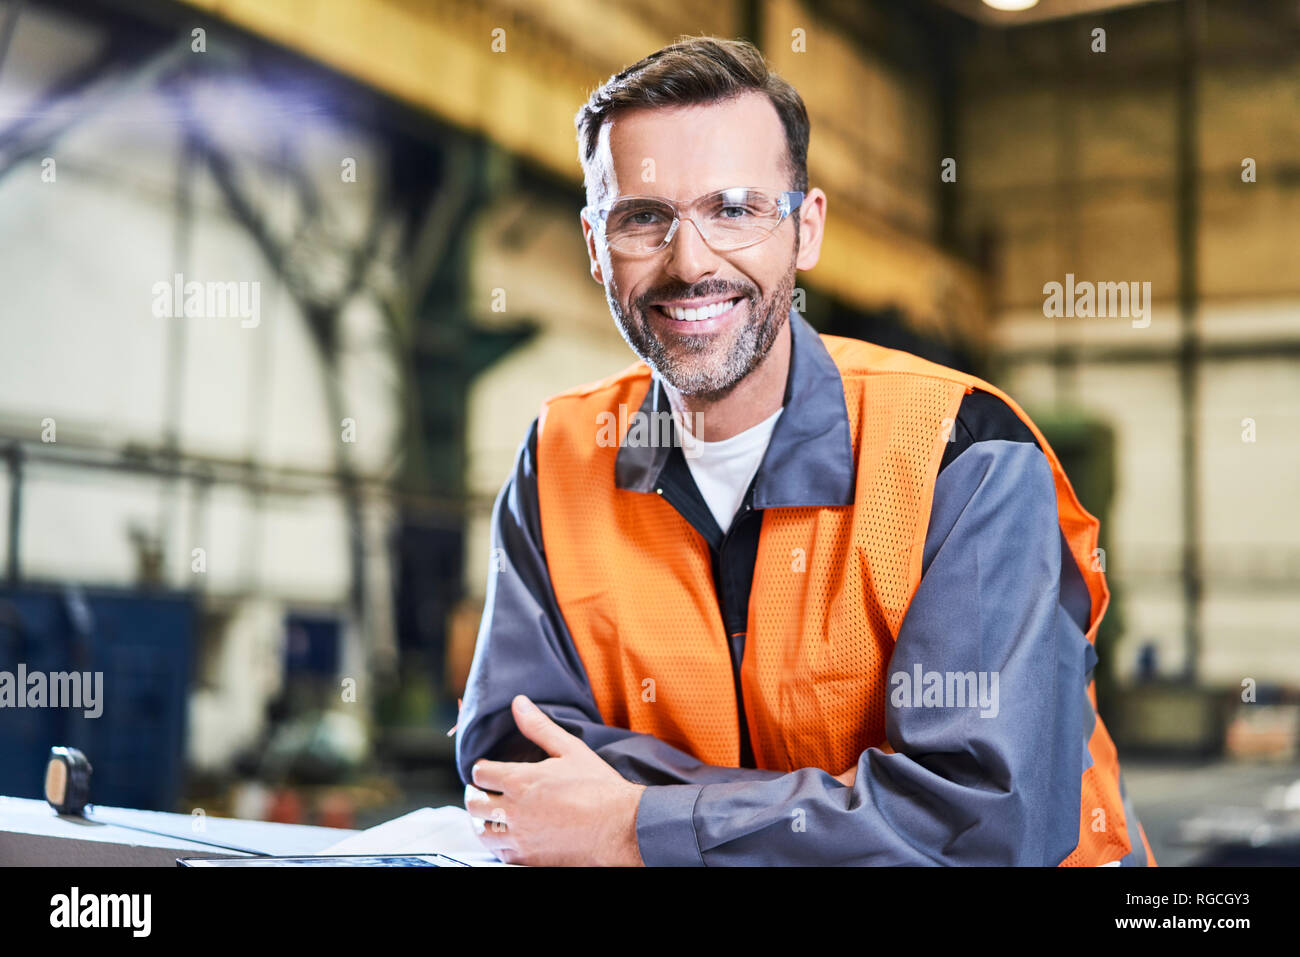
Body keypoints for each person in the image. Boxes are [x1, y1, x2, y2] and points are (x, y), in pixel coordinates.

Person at [455, 35, 1154, 867]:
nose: (690, 262)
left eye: (736, 208)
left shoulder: (958, 454)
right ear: (596, 245)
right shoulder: (561, 456)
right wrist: (834, 809)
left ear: (806, 230)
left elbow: (981, 825)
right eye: (644, 218)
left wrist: (638, 824)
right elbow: (518, 757)